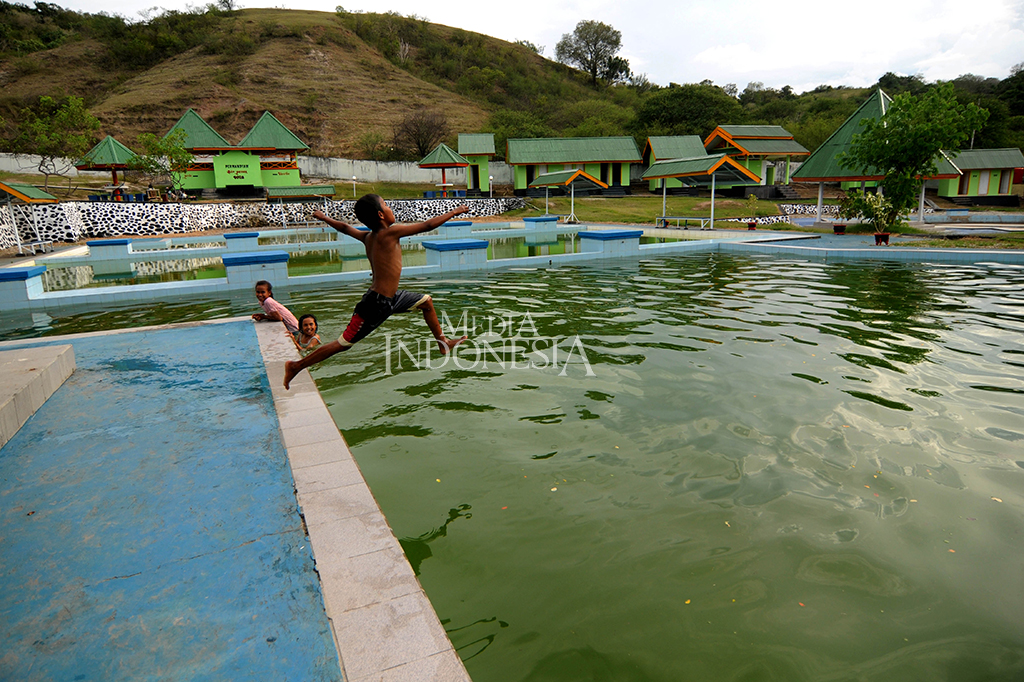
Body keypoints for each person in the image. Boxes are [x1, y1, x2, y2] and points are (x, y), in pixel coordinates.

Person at [283, 194, 468, 389]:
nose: (390, 208)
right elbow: (428, 225)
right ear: (381, 214)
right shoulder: (390, 233)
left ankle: (442, 343)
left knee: (426, 302)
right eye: (387, 204)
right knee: (344, 343)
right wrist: (455, 211)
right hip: (375, 305)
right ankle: (297, 366)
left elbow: (345, 228)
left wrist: (325, 218)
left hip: (390, 298)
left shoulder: (367, 237)